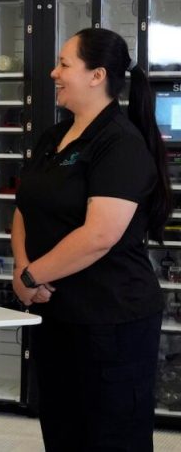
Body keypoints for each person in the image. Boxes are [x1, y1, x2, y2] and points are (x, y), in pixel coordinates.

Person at [12, 28, 171, 452]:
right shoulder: (53, 137)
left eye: (64, 64)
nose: (53, 73)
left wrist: (30, 276)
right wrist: (21, 269)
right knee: (62, 430)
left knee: (110, 436)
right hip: (55, 312)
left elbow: (100, 235)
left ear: (97, 75)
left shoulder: (120, 143)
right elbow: (24, 206)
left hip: (111, 320)